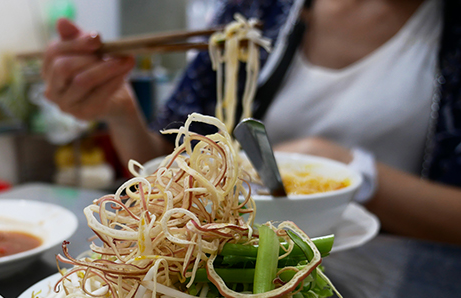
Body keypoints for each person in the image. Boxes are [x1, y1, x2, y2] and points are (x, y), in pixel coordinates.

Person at [40, 0, 461, 245]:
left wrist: (353, 169)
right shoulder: (261, 8)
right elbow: (169, 167)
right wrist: (121, 112)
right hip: (232, 251)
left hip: (386, 274)